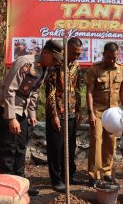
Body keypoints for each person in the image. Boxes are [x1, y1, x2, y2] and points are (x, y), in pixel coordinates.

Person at [0, 39, 63, 196]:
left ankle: (20, 183)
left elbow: (34, 91)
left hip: (21, 109)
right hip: (6, 106)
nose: (55, 63)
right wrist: (11, 118)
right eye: (54, 58)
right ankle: (8, 187)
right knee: (9, 147)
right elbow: (9, 90)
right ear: (45, 53)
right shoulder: (25, 63)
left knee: (21, 146)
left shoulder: (44, 68)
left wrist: (31, 113)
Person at [86, 42, 123, 187]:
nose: (112, 60)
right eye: (109, 57)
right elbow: (89, 91)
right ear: (104, 55)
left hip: (114, 112)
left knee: (111, 142)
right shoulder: (94, 69)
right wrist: (90, 112)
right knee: (97, 140)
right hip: (97, 111)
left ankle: (107, 171)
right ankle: (94, 175)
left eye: (114, 58)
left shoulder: (122, 69)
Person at [45, 37, 83, 193]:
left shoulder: (76, 65)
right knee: (56, 147)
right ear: (66, 49)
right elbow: (50, 91)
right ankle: (56, 179)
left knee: (70, 147)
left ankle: (69, 175)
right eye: (74, 53)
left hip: (72, 112)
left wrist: (79, 110)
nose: (76, 56)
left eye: (78, 54)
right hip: (57, 112)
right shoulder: (55, 64)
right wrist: (54, 114)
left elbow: (78, 88)